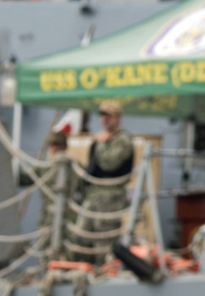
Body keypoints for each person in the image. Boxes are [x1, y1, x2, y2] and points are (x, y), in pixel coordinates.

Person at [71, 99, 134, 265]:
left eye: (109, 116)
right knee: (80, 236)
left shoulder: (123, 140)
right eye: (103, 116)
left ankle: (103, 271)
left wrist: (101, 144)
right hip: (93, 195)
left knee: (104, 241)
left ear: (118, 117)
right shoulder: (101, 138)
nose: (105, 120)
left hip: (110, 196)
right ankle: (82, 269)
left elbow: (109, 163)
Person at [37, 130, 81, 263]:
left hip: (69, 218)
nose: (54, 148)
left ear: (64, 146)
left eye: (57, 144)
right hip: (48, 218)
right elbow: (24, 178)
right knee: (46, 252)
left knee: (71, 252)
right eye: (51, 145)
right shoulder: (44, 167)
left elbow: (83, 188)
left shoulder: (74, 167)